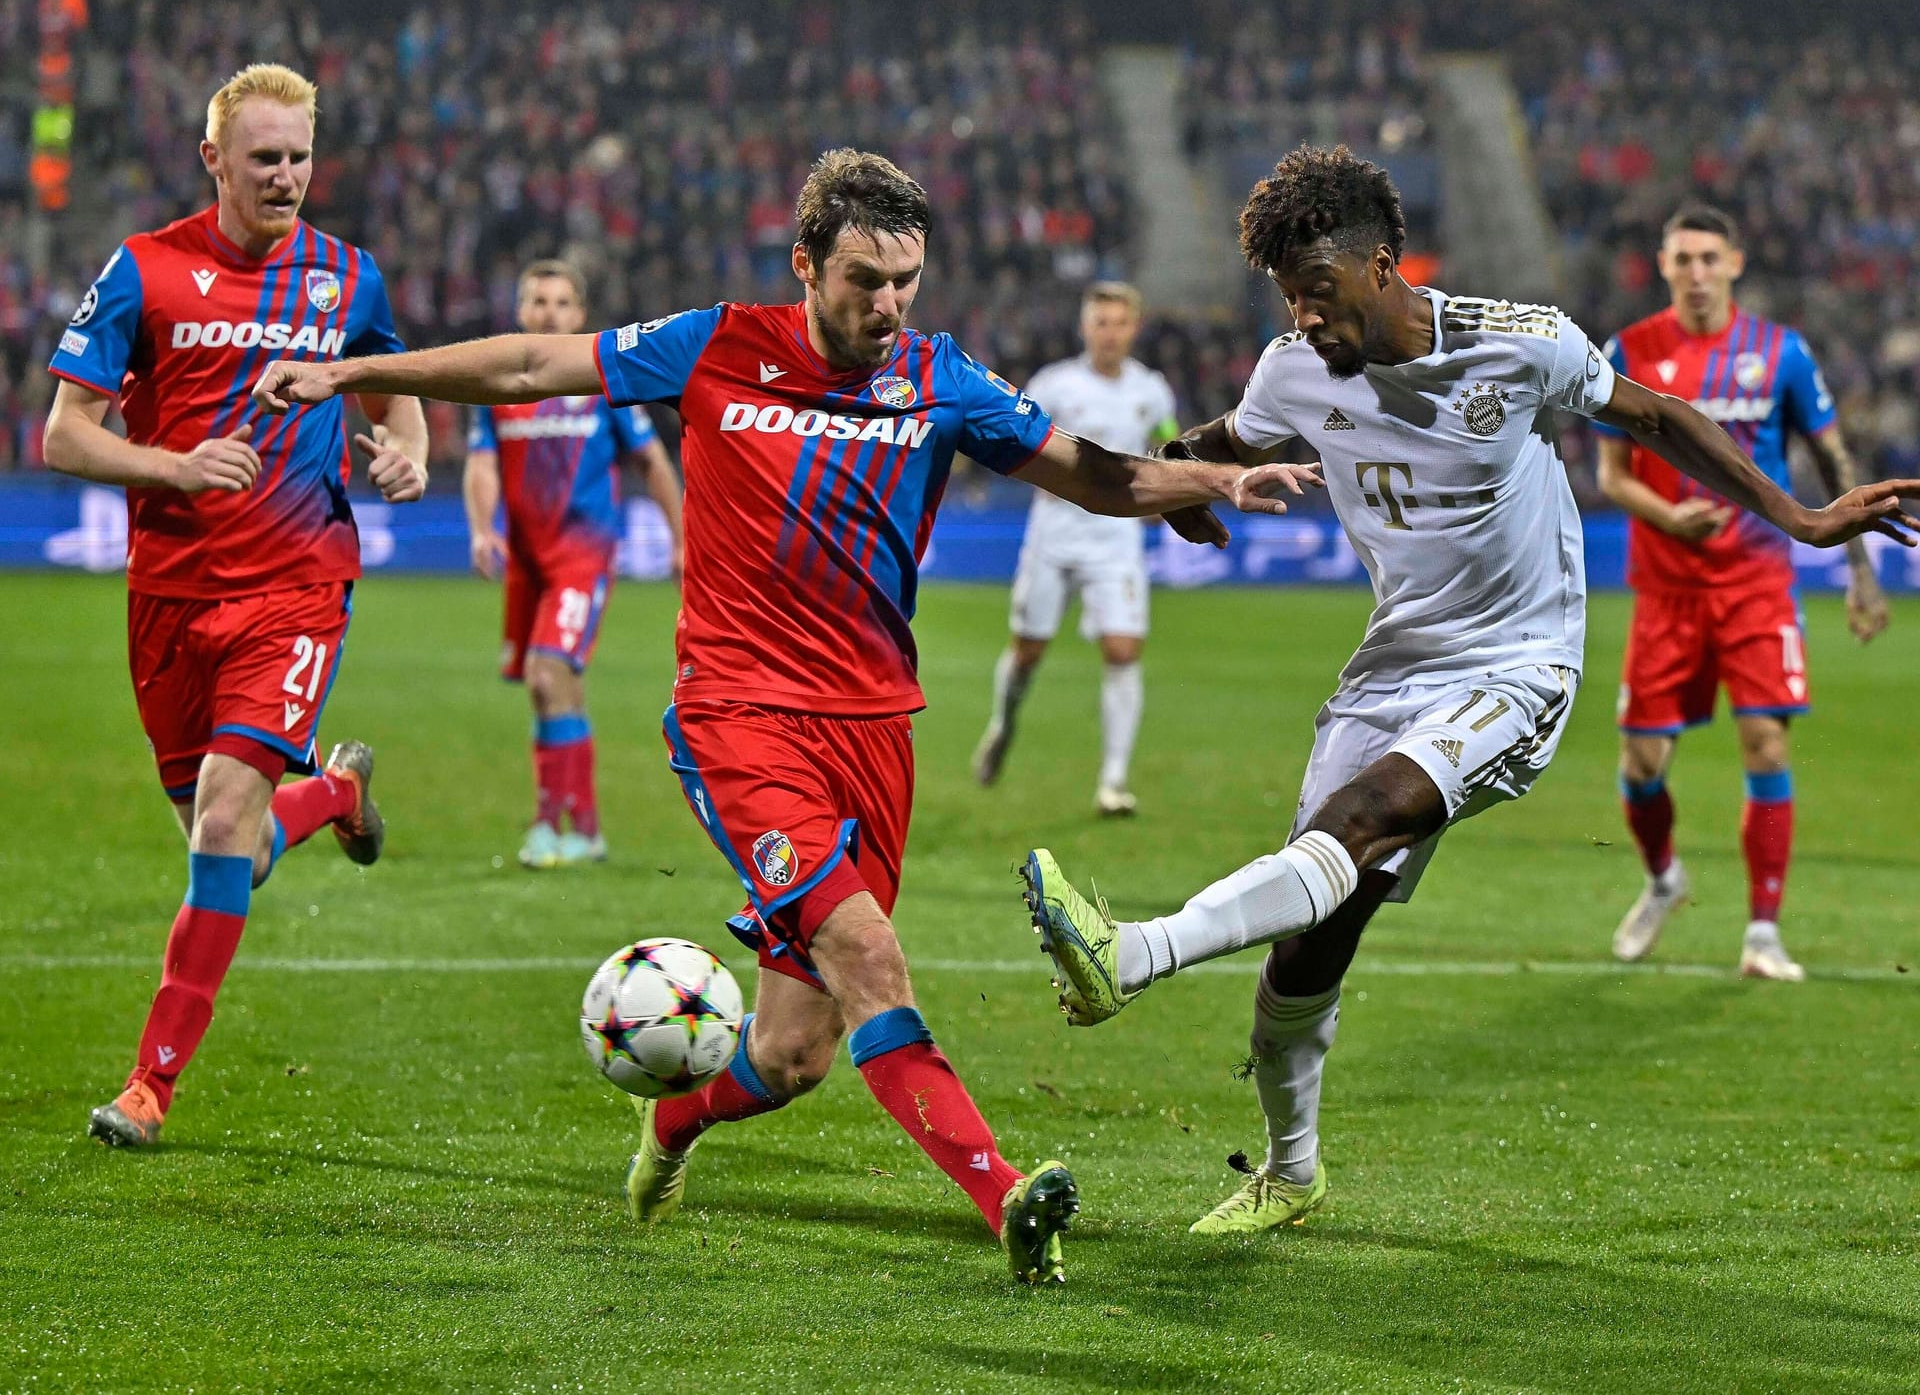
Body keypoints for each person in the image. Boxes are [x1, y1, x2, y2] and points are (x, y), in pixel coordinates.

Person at [253, 148, 1314, 1285]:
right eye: (866, 277)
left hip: (874, 727)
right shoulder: (715, 344)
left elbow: (1093, 473)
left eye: (907, 279)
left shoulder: (938, 375)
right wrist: (359, 368)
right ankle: (1006, 1194)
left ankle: (675, 1121)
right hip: (737, 713)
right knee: (869, 952)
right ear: (805, 263)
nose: (889, 303)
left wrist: (1212, 480)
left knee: (795, 1052)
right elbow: (529, 364)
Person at [1015, 146, 1919, 1236]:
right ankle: (1292, 1171)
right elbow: (1221, 440)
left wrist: (1810, 520)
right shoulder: (1292, 367)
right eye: (1289, 299)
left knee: (1359, 821)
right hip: (1391, 669)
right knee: (1315, 936)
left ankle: (1129, 955)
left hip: (1521, 663)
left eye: (1320, 292)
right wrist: (1187, 480)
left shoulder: (1520, 344)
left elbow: (1664, 419)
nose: (1306, 318)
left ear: (1382, 265)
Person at [42, 63, 428, 1148]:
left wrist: (407, 454)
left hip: (296, 584)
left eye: (301, 156)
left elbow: (401, 406)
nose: (288, 177)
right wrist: (172, 467)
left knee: (221, 817)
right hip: (168, 597)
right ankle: (335, 790)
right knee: (238, 851)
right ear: (214, 159)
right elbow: (62, 433)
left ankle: (149, 1084)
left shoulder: (347, 278)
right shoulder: (144, 270)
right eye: (266, 158)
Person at [1595, 203, 1888, 981]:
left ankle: (1763, 932)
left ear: (1735, 262)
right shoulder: (1628, 352)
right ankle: (1664, 878)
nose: (1696, 273)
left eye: (1708, 258)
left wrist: (1861, 574)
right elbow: (1610, 475)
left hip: (1757, 583)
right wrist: (1667, 516)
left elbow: (1833, 463)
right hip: (1666, 589)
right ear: (1663, 265)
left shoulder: (1781, 353)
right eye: (1682, 258)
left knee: (1766, 742)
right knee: (1642, 763)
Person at [462, 259, 685, 868]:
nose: (549, 313)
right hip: (529, 562)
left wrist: (680, 540)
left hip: (583, 553)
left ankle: (545, 824)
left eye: (562, 302)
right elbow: (481, 463)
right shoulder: (500, 387)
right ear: (519, 311)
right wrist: (483, 530)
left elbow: (654, 463)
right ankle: (585, 829)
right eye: (538, 301)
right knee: (555, 691)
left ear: (580, 315)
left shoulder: (601, 383)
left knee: (546, 674)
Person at [972, 281, 1180, 815]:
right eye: (1100, 322)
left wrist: (1169, 486)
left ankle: (1113, 781)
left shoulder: (1151, 391)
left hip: (1116, 540)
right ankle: (1003, 723)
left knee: (1122, 650)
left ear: (1135, 327)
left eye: (1120, 322)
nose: (1110, 333)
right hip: (1054, 536)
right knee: (1028, 652)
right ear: (1084, 328)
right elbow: (1018, 442)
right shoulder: (1055, 385)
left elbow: (1169, 444)